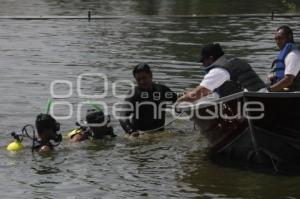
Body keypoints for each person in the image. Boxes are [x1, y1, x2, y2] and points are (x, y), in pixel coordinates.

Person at [177, 43, 266, 102]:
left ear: (211, 58)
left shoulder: (218, 71)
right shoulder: (236, 61)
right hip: (265, 99)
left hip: (248, 104)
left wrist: (179, 102)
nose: (203, 64)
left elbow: (196, 95)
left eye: (203, 61)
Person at [119, 63, 177, 137]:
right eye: (138, 79)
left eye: (144, 78)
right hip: (141, 135)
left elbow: (177, 101)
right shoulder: (134, 94)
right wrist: (131, 132)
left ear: (151, 75)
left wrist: (179, 106)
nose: (142, 82)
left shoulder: (162, 90)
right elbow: (122, 117)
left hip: (160, 133)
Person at [268, 25, 300, 92]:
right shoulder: (287, 53)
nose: (277, 41)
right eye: (276, 39)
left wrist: (268, 90)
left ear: (289, 37)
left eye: (280, 38)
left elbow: (288, 81)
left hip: (292, 94)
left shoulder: (293, 55)